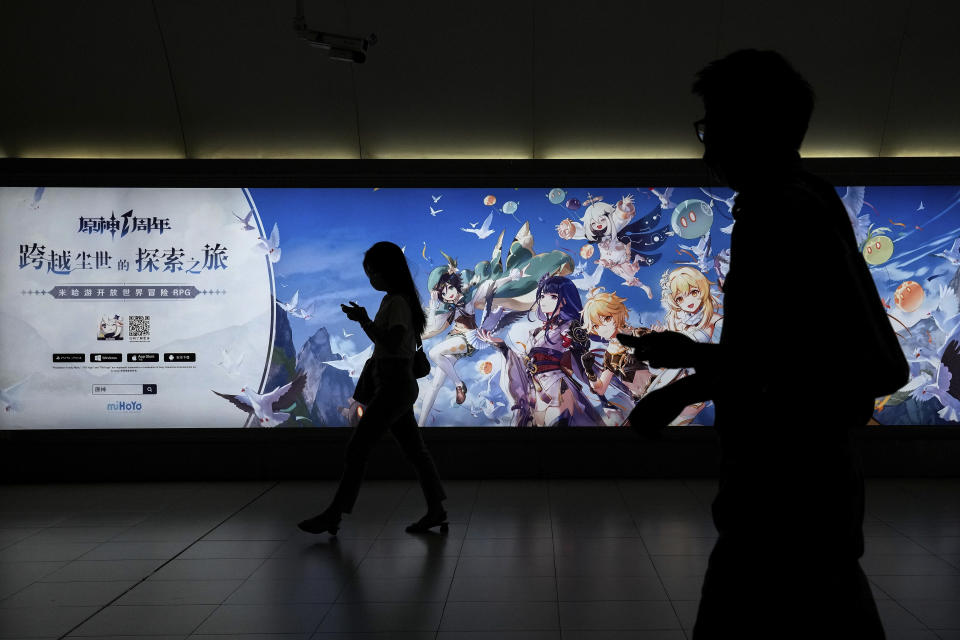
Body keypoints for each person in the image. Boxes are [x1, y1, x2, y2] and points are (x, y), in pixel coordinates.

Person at [619, 50, 908, 638]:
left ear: (753, 128)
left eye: (714, 128)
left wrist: (685, 388)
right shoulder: (809, 197)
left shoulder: (779, 211)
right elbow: (793, 345)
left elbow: (795, 361)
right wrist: (695, 357)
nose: (707, 148)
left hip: (784, 489)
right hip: (813, 485)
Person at [298, 241, 448, 535]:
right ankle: (436, 509)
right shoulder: (397, 300)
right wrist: (365, 320)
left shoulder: (396, 302)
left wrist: (364, 320)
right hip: (396, 385)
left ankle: (334, 514)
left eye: (373, 272)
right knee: (415, 451)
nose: (371, 279)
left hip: (394, 385)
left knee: (358, 446)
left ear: (387, 271)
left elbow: (391, 342)